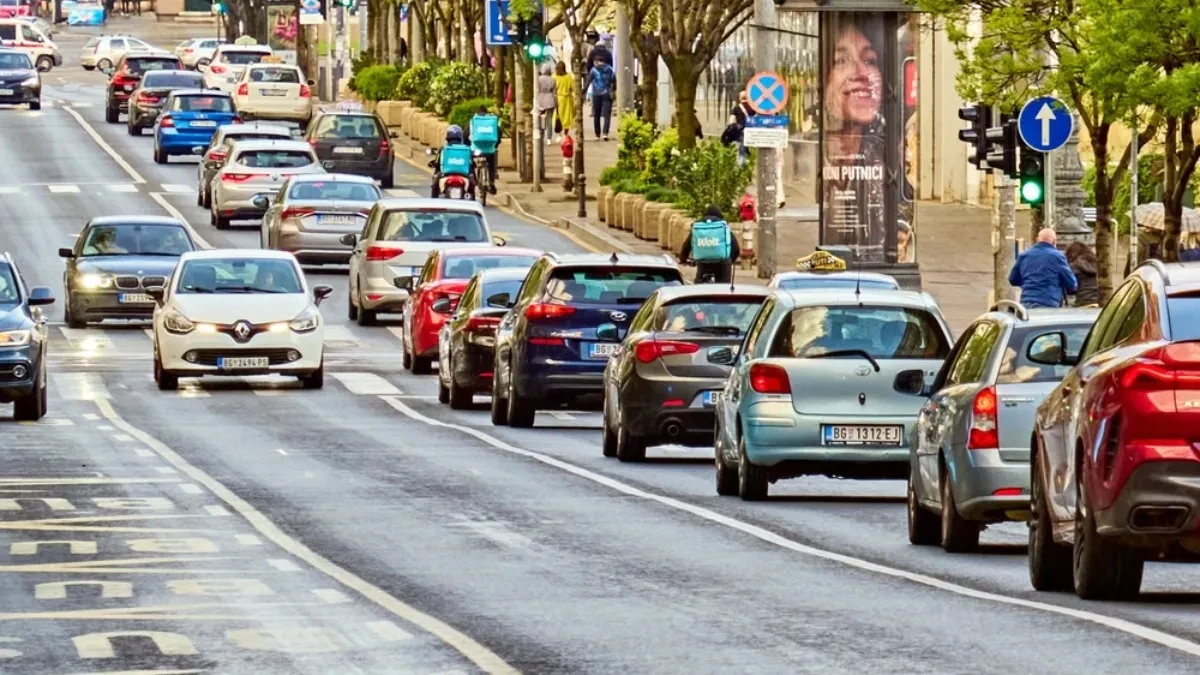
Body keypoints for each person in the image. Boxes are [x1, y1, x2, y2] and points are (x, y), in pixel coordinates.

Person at [1008, 229, 1078, 308]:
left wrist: (1027, 284)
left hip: (1026, 302)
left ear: (1037, 240)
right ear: (1054, 241)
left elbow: (1012, 279)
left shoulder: (1024, 255)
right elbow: (1072, 285)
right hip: (1049, 303)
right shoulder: (1058, 256)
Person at [678, 204, 741, 284]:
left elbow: (686, 246)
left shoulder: (699, 227)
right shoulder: (722, 227)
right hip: (722, 265)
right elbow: (736, 248)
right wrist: (729, 260)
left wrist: (683, 259)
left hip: (703, 264)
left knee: (699, 289)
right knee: (724, 291)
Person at [432, 125, 473, 199]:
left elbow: (437, 161)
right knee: (472, 186)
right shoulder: (466, 148)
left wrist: (434, 164)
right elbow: (470, 162)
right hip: (464, 174)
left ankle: (433, 203)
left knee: (435, 185)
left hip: (446, 174)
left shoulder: (443, 148)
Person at [468, 106, 499, 194]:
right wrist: (495, 145)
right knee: (492, 165)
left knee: (470, 164)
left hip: (476, 150)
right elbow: (498, 134)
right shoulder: (492, 121)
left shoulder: (473, 121)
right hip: (489, 150)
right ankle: (492, 182)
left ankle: (473, 180)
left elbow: (466, 134)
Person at [587, 57, 616, 141]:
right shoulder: (610, 70)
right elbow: (614, 81)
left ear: (597, 61)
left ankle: (597, 134)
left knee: (597, 114)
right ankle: (605, 133)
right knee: (607, 115)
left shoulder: (594, 70)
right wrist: (612, 89)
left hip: (596, 94)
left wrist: (583, 91)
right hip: (607, 93)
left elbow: (588, 81)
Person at [1065, 241, 1099, 306]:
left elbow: (1070, 289)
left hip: (1083, 302)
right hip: (1099, 302)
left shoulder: (1074, 267)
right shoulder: (1098, 265)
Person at [727, 90, 754, 166]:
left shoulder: (736, 108)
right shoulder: (753, 108)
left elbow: (731, 122)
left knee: (740, 153)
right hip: (753, 133)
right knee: (749, 152)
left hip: (740, 133)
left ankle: (740, 170)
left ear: (739, 98)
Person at [536, 63, 558, 146]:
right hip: (550, 100)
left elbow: (536, 90)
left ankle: (541, 136)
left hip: (540, 99)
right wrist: (556, 102)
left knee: (539, 119)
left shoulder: (538, 79)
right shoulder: (553, 80)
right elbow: (555, 93)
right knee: (549, 120)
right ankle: (549, 138)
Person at [553, 61, 575, 142]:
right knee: (567, 118)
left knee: (558, 117)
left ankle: (559, 134)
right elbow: (573, 88)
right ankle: (565, 134)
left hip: (557, 99)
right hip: (567, 100)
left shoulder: (554, 77)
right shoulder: (568, 77)